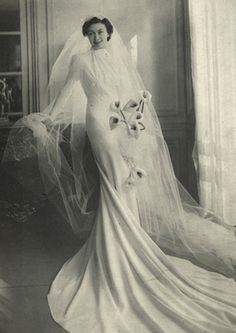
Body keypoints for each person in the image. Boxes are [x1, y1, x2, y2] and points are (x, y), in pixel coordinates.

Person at [3, 15, 236, 333]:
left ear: (108, 35)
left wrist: (134, 121)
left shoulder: (117, 57)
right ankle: (119, 247)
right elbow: (66, 94)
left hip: (121, 124)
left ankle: (128, 242)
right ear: (86, 37)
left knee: (127, 183)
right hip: (99, 124)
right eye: (92, 34)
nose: (97, 37)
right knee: (114, 180)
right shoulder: (80, 60)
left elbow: (131, 96)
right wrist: (48, 117)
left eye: (101, 32)